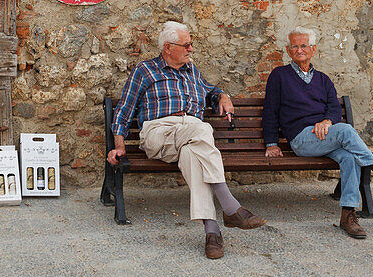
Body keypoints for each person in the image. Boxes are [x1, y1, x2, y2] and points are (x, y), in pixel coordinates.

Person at [107, 21, 266, 260]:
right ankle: (230, 206)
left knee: (194, 155)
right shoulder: (145, 70)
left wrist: (223, 95)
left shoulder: (191, 70)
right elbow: (123, 110)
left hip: (189, 136)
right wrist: (119, 147)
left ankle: (212, 232)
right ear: (168, 47)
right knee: (202, 129)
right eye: (187, 45)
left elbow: (210, 90)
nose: (191, 49)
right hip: (158, 133)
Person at [262, 26, 373, 239]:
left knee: (350, 157)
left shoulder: (323, 79)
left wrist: (327, 121)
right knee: (345, 130)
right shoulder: (279, 76)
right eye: (294, 46)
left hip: (326, 137)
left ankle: (348, 215)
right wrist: (271, 143)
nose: (299, 50)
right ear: (288, 51)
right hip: (301, 139)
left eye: (303, 45)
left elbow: (334, 109)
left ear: (313, 49)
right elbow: (270, 110)